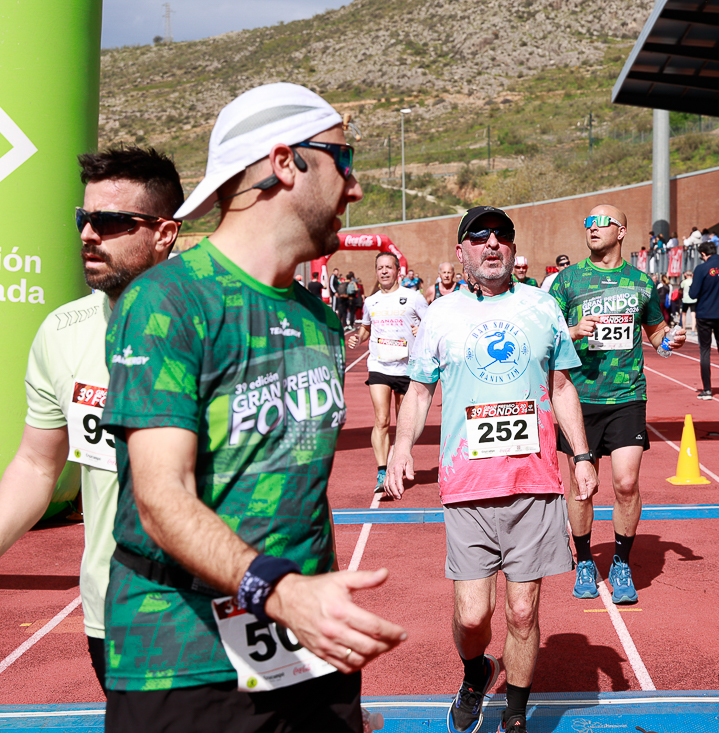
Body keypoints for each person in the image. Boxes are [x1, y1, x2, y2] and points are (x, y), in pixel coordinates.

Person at [98, 82, 405, 730]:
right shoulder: (169, 301)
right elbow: (160, 498)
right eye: (344, 161)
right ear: (285, 162)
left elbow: (297, 490)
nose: (354, 188)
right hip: (185, 661)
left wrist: (310, 607)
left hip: (306, 653)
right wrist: (282, 592)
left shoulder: (320, 319)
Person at [385, 205, 598, 733]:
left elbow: (562, 386)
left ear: (513, 247)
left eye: (502, 234)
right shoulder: (441, 314)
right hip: (467, 487)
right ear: (461, 251)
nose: (492, 243)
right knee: (473, 616)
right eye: (479, 236)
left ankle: (516, 713)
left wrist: (582, 454)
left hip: (535, 483)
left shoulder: (542, 307)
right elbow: (419, 391)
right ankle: (476, 670)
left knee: (523, 612)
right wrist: (401, 447)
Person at [0, 146, 182, 693]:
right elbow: (36, 466)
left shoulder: (223, 326)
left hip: (216, 614)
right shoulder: (61, 333)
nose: (87, 234)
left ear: (164, 233)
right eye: (85, 217)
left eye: (109, 221)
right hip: (113, 613)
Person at [549, 204, 685, 605]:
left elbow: (656, 332)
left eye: (600, 222)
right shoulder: (567, 280)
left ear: (621, 231)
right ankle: (585, 560)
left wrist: (668, 341)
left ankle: (621, 562)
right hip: (578, 398)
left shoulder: (641, 283)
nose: (592, 228)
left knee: (626, 484)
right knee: (582, 487)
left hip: (627, 397)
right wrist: (574, 330)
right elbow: (547, 336)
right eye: (587, 222)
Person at [349, 252, 429, 493]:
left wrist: (421, 331)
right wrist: (357, 338)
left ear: (397, 271)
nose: (384, 271)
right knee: (382, 420)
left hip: (406, 368)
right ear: (376, 272)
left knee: (404, 424)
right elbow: (365, 329)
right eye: (380, 268)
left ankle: (399, 459)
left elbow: (430, 325)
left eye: (388, 267)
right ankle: (382, 470)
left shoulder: (413, 298)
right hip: (379, 366)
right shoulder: (371, 302)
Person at [689, 241, 719, 400]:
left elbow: (693, 294)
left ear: (703, 254)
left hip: (705, 314)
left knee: (705, 351)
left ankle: (707, 390)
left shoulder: (702, 268)